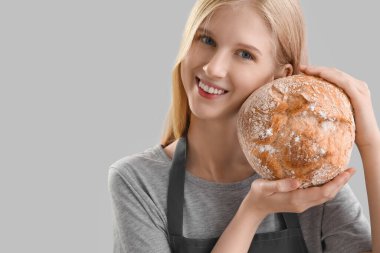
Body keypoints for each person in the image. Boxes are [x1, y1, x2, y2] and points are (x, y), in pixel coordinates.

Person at [108, 0, 379, 252]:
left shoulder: (308, 187)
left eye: (244, 54)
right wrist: (252, 212)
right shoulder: (138, 182)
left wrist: (371, 144)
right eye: (207, 39)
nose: (214, 68)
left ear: (280, 76)